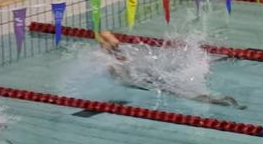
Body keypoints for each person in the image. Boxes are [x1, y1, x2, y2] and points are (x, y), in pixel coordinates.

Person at [96, 30, 242, 108]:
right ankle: (213, 99)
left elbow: (121, 78)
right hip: (148, 76)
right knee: (177, 89)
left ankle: (212, 99)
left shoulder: (114, 64)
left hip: (146, 79)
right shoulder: (122, 61)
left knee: (176, 90)